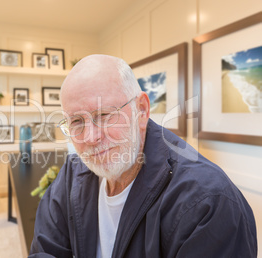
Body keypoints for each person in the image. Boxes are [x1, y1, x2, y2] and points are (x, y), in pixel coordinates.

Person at [29, 55, 257, 257]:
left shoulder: (208, 202)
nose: (90, 137)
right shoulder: (73, 171)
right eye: (77, 121)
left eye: (105, 115)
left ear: (142, 110)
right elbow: (45, 250)